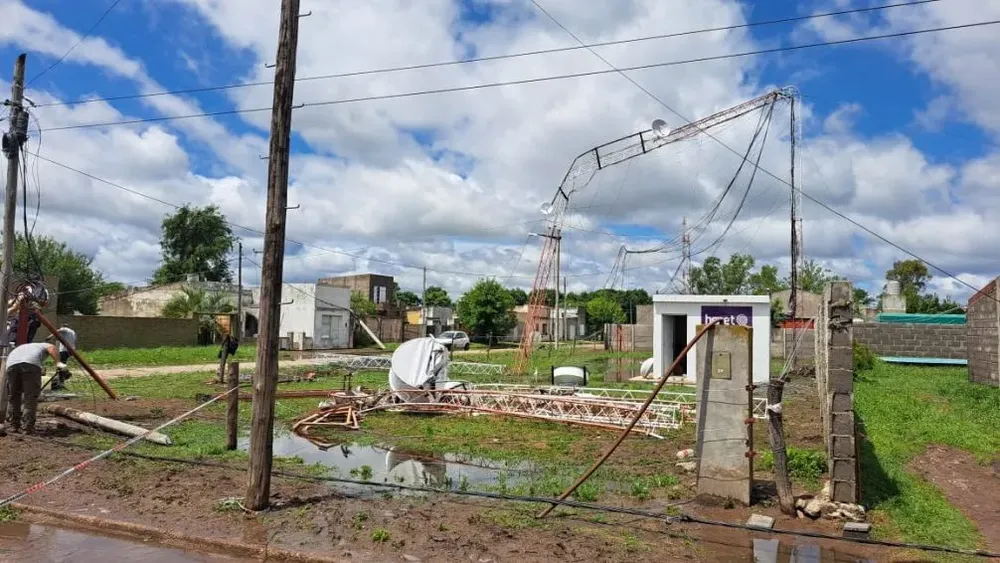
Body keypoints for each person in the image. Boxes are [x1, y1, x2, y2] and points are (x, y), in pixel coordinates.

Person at [4, 342, 62, 434]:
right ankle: (27, 427)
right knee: (30, 397)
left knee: (14, 397)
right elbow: (52, 348)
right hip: (30, 364)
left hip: (11, 364)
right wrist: (58, 362)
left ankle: (13, 425)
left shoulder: (26, 347)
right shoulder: (46, 345)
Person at [45, 325, 77, 391]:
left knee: (60, 365)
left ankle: (62, 381)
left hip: (64, 350)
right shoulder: (72, 332)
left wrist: (49, 337)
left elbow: (57, 331)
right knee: (62, 364)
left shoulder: (65, 329)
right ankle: (62, 378)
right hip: (71, 350)